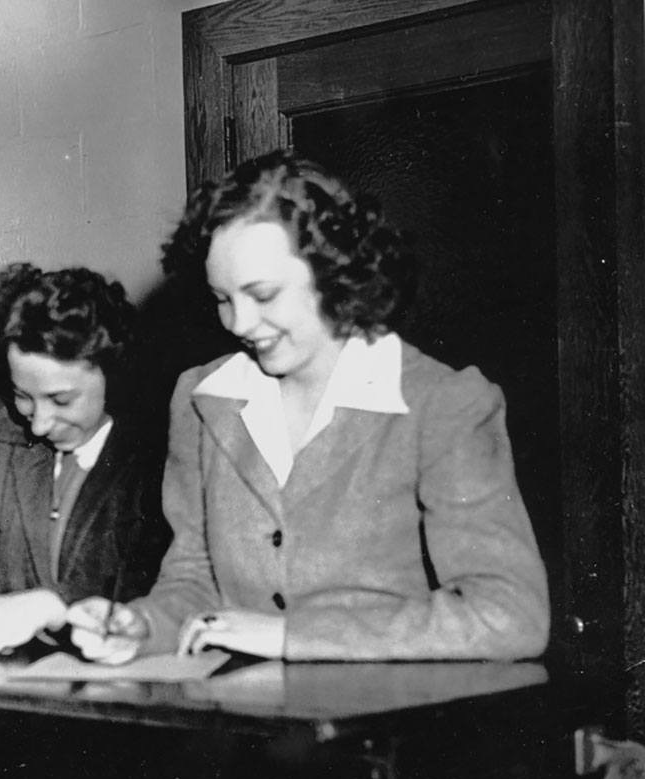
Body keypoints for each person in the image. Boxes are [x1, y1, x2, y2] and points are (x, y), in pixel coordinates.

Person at [75, 150, 550, 663]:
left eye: (263, 294)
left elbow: (509, 615)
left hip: (392, 727)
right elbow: (194, 582)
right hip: (248, 725)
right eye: (221, 298)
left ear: (333, 271)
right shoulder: (202, 399)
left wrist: (291, 636)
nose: (237, 323)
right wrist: (143, 627)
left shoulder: (442, 404)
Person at [0, 264, 171, 659]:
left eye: (61, 401)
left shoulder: (156, 455)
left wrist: (49, 605)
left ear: (115, 374)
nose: (39, 425)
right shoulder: (2, 439)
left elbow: (155, 576)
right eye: (23, 396)